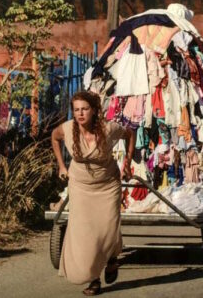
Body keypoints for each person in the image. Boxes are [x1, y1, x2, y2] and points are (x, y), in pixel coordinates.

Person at [51, 91, 135, 296]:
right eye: (76, 110)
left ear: (94, 110)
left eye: (85, 109)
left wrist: (127, 163)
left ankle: (112, 259)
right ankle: (94, 279)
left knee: (107, 229)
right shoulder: (68, 129)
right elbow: (54, 138)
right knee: (87, 235)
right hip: (80, 186)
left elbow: (130, 133)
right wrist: (61, 166)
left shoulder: (108, 128)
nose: (80, 114)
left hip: (107, 185)